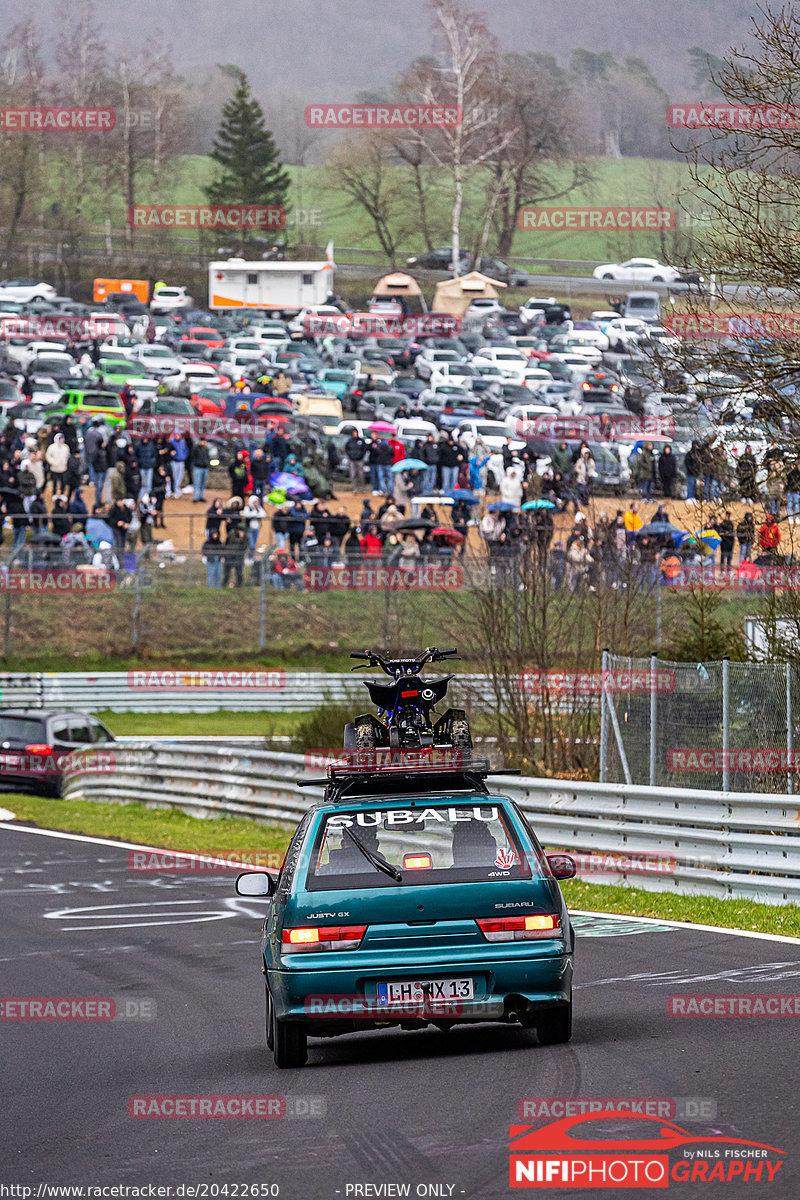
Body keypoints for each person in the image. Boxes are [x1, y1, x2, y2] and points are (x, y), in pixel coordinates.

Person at [222, 520, 247, 587]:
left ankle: (239, 585)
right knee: (227, 572)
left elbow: (244, 547)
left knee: (239, 572)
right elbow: (227, 543)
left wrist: (242, 538)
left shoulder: (245, 537)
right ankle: (224, 584)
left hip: (238, 556)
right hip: (229, 555)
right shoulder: (232, 533)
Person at [45, 433, 70, 497]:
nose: (60, 440)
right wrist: (53, 462)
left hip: (63, 468)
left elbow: (68, 456)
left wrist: (65, 462)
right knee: (54, 482)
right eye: (59, 439)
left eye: (61, 439)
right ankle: (54, 494)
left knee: (63, 482)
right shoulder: (52, 447)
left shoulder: (66, 447)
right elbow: (48, 456)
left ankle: (62, 494)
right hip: (54, 468)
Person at [242, 494, 266, 559]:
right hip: (249, 529)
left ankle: (251, 558)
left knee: (254, 544)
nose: (256, 503)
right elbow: (247, 514)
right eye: (255, 502)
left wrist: (256, 513)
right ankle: (248, 557)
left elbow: (263, 514)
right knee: (251, 544)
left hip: (256, 529)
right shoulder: (247, 508)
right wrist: (254, 514)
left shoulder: (258, 508)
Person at [192, 437, 211, 502]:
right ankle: (195, 497)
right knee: (197, 483)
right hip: (198, 467)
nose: (204, 442)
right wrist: (195, 463)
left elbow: (208, 457)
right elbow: (192, 457)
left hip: (205, 468)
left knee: (203, 483)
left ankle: (201, 496)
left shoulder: (206, 449)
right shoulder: (196, 448)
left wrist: (208, 464)